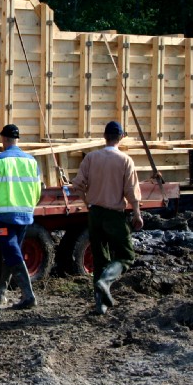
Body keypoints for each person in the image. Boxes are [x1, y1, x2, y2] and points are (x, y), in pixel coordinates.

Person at [71, 121, 143, 315]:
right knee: (126, 255)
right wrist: (137, 213)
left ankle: (100, 305)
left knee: (100, 258)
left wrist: (87, 202)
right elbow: (131, 191)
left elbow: (77, 185)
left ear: (104, 136)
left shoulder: (91, 158)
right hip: (114, 214)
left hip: (95, 213)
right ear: (121, 137)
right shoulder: (125, 160)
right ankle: (106, 281)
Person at [0, 124, 42, 309]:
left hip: (4, 217)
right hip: (25, 216)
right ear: (17, 139)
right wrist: (29, 207)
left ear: (4, 139)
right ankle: (1, 292)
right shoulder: (31, 161)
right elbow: (37, 190)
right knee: (11, 252)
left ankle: (28, 296)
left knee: (11, 252)